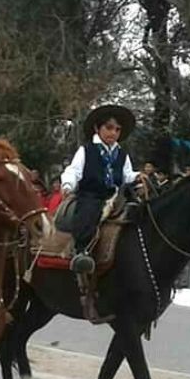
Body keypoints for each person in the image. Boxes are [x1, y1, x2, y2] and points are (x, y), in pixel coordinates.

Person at [60, 104, 140, 322]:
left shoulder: (122, 154)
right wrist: (68, 185)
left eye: (117, 130)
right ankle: (82, 251)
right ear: (98, 128)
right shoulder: (87, 150)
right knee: (89, 213)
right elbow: (74, 170)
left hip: (115, 196)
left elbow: (127, 175)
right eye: (109, 128)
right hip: (92, 195)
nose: (113, 133)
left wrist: (139, 177)